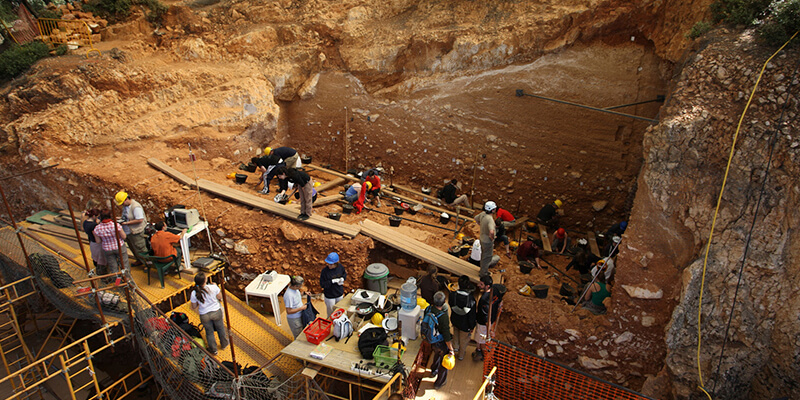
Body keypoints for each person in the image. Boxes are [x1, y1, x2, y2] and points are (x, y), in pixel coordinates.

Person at [191, 273, 229, 355]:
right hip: (216, 311)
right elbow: (220, 297)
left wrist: (200, 301)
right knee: (220, 328)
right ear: (205, 280)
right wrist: (216, 286)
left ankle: (213, 350)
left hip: (204, 314)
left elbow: (194, 306)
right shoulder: (213, 287)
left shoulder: (194, 293)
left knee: (209, 332)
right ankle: (224, 344)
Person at [426, 291, 454, 390]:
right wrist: (451, 349)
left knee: (436, 354)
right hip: (441, 342)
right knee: (444, 363)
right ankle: (439, 382)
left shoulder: (429, 309)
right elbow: (446, 335)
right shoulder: (443, 317)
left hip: (432, 340)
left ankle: (433, 370)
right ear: (444, 302)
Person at [92, 209, 130, 274]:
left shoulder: (97, 228)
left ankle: (117, 280)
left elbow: (98, 241)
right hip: (119, 246)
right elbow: (124, 236)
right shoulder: (116, 225)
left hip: (107, 249)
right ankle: (127, 279)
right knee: (124, 265)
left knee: (113, 267)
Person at [116, 191, 148, 263]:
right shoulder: (126, 206)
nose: (122, 205)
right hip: (128, 231)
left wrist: (127, 223)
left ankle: (147, 263)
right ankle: (139, 260)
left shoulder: (135, 207)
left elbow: (140, 219)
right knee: (132, 247)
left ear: (127, 199)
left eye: (123, 203)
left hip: (136, 231)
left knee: (140, 248)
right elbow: (126, 216)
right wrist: (119, 218)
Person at [449, 275, 476, 361]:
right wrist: (472, 326)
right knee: (463, 340)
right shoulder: (471, 300)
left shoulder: (452, 295)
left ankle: (455, 348)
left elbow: (451, 305)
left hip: (455, 320)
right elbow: (472, 316)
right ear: (468, 286)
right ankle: (460, 355)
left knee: (456, 334)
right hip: (465, 324)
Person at [472, 275, 497, 362]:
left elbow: (486, 317)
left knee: (482, 340)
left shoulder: (483, 300)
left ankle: (484, 355)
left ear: (487, 286)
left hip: (483, 325)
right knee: (479, 339)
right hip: (490, 321)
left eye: (481, 284)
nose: (479, 285)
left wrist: (489, 330)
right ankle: (478, 350)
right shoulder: (494, 292)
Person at [475, 201, 498, 277]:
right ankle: (483, 273)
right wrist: (492, 238)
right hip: (487, 241)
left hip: (482, 238)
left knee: (483, 254)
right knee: (487, 257)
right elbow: (491, 231)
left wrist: (481, 225)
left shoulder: (482, 214)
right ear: (492, 210)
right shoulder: (490, 219)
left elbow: (476, 218)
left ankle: (482, 269)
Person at [320, 252, 346, 318]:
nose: (329, 266)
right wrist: (331, 281)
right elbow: (322, 284)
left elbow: (344, 274)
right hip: (330, 296)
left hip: (339, 293)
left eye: (331, 264)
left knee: (340, 311)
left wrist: (342, 278)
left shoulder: (340, 267)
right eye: (328, 264)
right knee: (331, 313)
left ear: (336, 264)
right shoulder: (325, 271)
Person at [81, 207, 107, 275]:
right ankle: (102, 274)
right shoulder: (93, 226)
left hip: (92, 242)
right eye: (97, 217)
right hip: (97, 244)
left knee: (96, 258)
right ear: (94, 216)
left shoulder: (85, 223)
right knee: (101, 260)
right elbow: (97, 238)